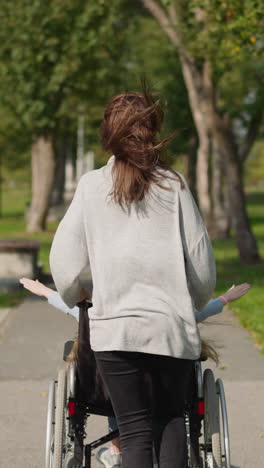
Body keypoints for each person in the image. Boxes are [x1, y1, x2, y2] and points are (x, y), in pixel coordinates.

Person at [49, 89, 217, 468]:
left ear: (107, 131)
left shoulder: (92, 186)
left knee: (135, 431)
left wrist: (78, 295)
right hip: (169, 327)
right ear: (153, 130)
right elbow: (202, 266)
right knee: (171, 421)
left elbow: (64, 263)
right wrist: (197, 301)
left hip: (115, 331)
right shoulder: (173, 185)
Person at [19, 277, 250, 468]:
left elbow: (67, 305)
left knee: (113, 381)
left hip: (109, 391)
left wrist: (44, 292)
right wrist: (225, 298)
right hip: (166, 387)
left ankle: (116, 448)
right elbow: (202, 312)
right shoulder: (172, 314)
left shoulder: (99, 316)